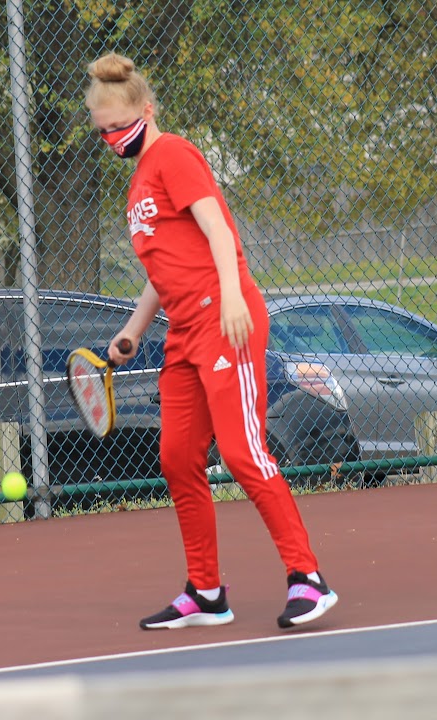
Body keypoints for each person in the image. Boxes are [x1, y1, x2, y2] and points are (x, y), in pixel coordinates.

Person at [85, 52, 338, 631]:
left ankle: (308, 579)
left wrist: (230, 295)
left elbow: (218, 229)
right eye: (103, 131)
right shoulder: (138, 185)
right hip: (183, 333)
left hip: (227, 321)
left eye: (120, 126)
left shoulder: (173, 154)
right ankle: (205, 592)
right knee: (177, 458)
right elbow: (165, 266)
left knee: (243, 451)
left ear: (146, 112)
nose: (113, 138)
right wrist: (133, 330)